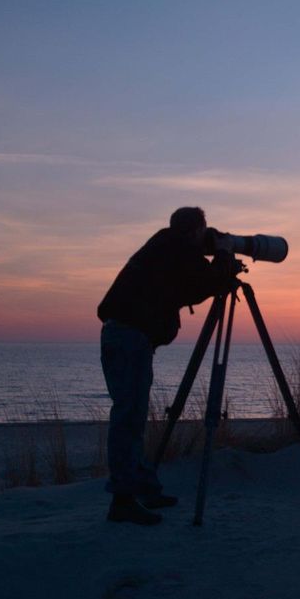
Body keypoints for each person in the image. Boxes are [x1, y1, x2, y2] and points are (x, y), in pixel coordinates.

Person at [97, 206, 237, 525]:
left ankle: (144, 488)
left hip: (127, 337)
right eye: (203, 233)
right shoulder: (176, 252)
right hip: (129, 339)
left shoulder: (166, 245)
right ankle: (122, 501)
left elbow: (196, 283)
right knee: (129, 417)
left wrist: (214, 247)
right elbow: (207, 281)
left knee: (132, 416)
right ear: (193, 232)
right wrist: (225, 256)